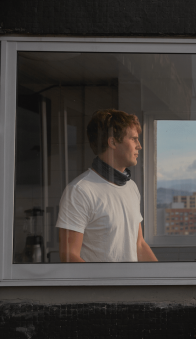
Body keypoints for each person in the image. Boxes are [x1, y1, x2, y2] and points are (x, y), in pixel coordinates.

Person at [56, 109, 158, 262]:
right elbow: (69, 256)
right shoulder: (79, 191)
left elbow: (139, 245)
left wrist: (163, 282)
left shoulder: (131, 187)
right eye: (134, 139)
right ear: (113, 142)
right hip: (103, 286)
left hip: (131, 286)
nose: (139, 146)